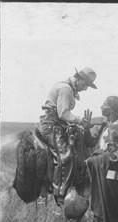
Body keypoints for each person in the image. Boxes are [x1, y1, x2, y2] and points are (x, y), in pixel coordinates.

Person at [37, 67, 98, 206]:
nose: (86, 89)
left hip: (56, 125)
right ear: (79, 79)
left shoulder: (66, 87)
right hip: (51, 127)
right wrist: (79, 120)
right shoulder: (66, 89)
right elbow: (63, 113)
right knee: (66, 157)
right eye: (86, 84)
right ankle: (60, 195)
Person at [86, 96, 118, 222]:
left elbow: (114, 155)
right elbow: (92, 143)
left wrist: (93, 159)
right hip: (101, 173)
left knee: (109, 208)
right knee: (100, 207)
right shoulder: (107, 126)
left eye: (104, 104)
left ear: (111, 109)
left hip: (110, 177)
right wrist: (85, 128)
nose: (101, 106)